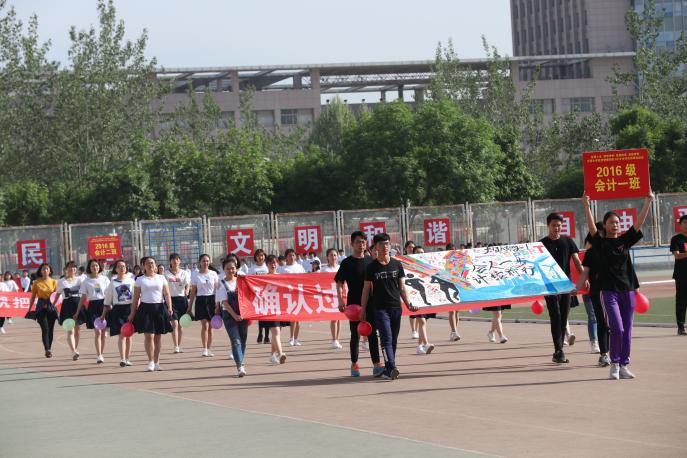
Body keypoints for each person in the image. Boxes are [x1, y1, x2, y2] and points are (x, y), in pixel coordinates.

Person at [582, 192, 653, 380]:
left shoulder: (624, 241)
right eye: (611, 222)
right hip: (608, 292)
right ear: (605, 225)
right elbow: (591, 227)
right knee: (617, 328)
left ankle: (624, 365)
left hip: (627, 291)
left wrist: (648, 202)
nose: (615, 225)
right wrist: (586, 205)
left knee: (627, 331)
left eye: (617, 222)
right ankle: (614, 364)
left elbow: (638, 223)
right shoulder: (600, 243)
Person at [361, 233, 419, 380]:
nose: (385, 246)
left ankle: (388, 368)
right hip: (380, 308)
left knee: (393, 339)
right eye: (381, 244)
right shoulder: (371, 267)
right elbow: (366, 289)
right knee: (386, 338)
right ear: (375, 247)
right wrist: (363, 309)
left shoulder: (397, 264)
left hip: (396, 307)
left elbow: (402, 287)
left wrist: (408, 304)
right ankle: (392, 367)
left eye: (387, 243)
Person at [336, 231, 384, 377]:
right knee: (355, 334)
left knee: (372, 332)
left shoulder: (371, 261)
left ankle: (376, 364)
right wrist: (340, 300)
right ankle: (354, 363)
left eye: (363, 241)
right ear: (352, 244)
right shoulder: (347, 262)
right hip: (354, 303)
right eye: (358, 241)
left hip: (371, 302)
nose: (361, 244)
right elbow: (339, 282)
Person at [540, 213, 583, 364]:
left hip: (566, 285)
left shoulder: (568, 241)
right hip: (549, 286)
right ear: (548, 226)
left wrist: (584, 278)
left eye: (559, 225)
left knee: (564, 316)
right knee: (556, 315)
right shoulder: (541, 244)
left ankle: (559, 350)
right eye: (554, 225)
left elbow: (577, 261)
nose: (556, 228)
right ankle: (558, 350)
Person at [128, 256, 173, 371]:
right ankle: (150, 361)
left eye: (152, 263)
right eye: (148, 263)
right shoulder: (140, 280)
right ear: (144, 266)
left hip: (159, 308)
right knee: (149, 336)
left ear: (155, 265)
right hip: (145, 309)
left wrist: (169, 307)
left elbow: (167, 294)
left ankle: (157, 362)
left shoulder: (161, 278)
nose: (150, 265)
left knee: (157, 338)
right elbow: (136, 298)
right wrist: (132, 313)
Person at [578, 223, 611, 367]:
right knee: (597, 319)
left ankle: (613, 353)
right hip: (595, 291)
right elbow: (584, 272)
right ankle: (600, 350)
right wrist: (577, 288)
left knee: (611, 322)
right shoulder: (590, 252)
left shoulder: (613, 248)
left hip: (612, 291)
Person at [74, 259, 110, 364]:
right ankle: (99, 355)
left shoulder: (105, 279)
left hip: (104, 305)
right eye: (93, 266)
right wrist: (77, 311)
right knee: (97, 332)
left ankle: (101, 353)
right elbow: (83, 297)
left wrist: (110, 304)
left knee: (103, 332)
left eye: (97, 266)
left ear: (99, 267)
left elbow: (109, 293)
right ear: (89, 268)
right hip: (93, 306)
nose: (95, 268)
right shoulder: (86, 281)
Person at [217, 259, 248, 377]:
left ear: (236, 268)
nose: (231, 270)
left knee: (243, 340)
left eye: (233, 268)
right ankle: (240, 366)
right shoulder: (221, 284)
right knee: (235, 340)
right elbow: (224, 303)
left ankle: (241, 361)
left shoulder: (242, 281)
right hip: (229, 316)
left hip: (243, 314)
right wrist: (235, 315)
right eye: (228, 269)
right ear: (224, 270)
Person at [102, 260, 135, 367]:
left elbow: (136, 297)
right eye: (119, 266)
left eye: (123, 266)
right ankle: (122, 358)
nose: (122, 268)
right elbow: (108, 300)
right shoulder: (112, 283)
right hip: (118, 310)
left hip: (129, 309)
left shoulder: (131, 281)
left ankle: (128, 358)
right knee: (122, 334)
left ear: (126, 268)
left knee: (129, 335)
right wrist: (103, 315)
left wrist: (134, 310)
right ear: (115, 269)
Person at [188, 253, 218, 357]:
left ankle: (209, 349)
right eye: (203, 261)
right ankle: (204, 348)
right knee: (205, 325)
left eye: (207, 261)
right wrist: (189, 306)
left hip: (212, 300)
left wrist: (218, 304)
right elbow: (193, 291)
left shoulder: (213, 274)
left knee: (211, 327)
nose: (205, 263)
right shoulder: (195, 275)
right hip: (200, 300)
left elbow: (217, 289)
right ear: (200, 262)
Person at [54, 261, 86, 360]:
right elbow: (58, 293)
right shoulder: (61, 281)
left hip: (78, 305)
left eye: (74, 267)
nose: (72, 269)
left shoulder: (80, 280)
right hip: (67, 306)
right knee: (70, 330)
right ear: (66, 269)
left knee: (77, 330)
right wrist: (53, 304)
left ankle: (75, 349)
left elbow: (85, 292)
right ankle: (73, 351)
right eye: (70, 267)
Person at [27, 263, 57, 358]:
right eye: (43, 269)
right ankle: (47, 349)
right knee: (45, 328)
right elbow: (33, 296)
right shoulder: (36, 282)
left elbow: (57, 296)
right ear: (40, 271)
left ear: (50, 271)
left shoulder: (54, 282)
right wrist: (30, 308)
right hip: (41, 307)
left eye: (47, 269)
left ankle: (49, 348)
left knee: (51, 329)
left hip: (51, 307)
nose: (45, 270)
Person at [409, 245, 435, 355]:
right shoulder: (409, 267)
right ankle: (426, 343)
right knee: (422, 321)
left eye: (422, 252)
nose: (420, 254)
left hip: (425, 298)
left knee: (422, 323)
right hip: (414, 299)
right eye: (418, 252)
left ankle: (419, 346)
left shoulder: (426, 267)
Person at [263, 255, 287, 365]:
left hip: (280, 307)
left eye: (275, 262)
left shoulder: (281, 277)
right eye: (270, 263)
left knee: (276, 333)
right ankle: (280, 354)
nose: (273, 264)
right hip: (269, 308)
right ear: (267, 264)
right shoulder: (263, 278)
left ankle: (272, 355)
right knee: (276, 331)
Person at [278, 248, 306, 346]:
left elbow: (305, 279)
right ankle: (291, 338)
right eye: (289, 255)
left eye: (293, 255)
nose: (292, 257)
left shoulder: (300, 267)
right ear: (286, 257)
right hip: (288, 296)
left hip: (298, 295)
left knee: (298, 319)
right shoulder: (282, 269)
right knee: (292, 317)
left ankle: (296, 339)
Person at [165, 253, 191, 353]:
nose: (175, 261)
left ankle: (178, 345)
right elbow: (164, 286)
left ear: (179, 261)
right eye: (173, 259)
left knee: (180, 325)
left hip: (182, 300)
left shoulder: (184, 273)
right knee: (174, 324)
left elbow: (187, 284)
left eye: (177, 259)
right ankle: (175, 346)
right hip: (171, 300)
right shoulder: (166, 273)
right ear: (170, 261)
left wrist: (187, 290)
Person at [320, 248, 342, 350]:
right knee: (333, 318)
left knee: (339, 319)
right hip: (330, 296)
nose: (333, 257)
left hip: (340, 295)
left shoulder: (340, 268)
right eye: (331, 255)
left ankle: (337, 339)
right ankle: (334, 340)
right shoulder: (324, 270)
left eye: (335, 255)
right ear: (327, 257)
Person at [249, 249, 271, 345]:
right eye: (258, 255)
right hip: (257, 295)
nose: (260, 257)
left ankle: (267, 336)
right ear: (255, 257)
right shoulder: (252, 269)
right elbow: (248, 280)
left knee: (267, 315)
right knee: (261, 315)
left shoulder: (267, 267)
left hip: (268, 294)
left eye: (262, 255)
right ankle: (260, 333)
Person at [670, 214, 687, 335]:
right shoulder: (676, 239)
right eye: (685, 223)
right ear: (680, 225)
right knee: (681, 301)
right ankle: (681, 327)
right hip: (681, 275)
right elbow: (677, 255)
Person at [403, 240, 419, 339]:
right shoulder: (402, 259)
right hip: (408, 286)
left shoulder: (418, 259)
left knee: (418, 309)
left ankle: (416, 329)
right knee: (412, 308)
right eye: (409, 247)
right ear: (406, 248)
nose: (411, 249)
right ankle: (413, 330)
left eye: (413, 247)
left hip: (418, 286)